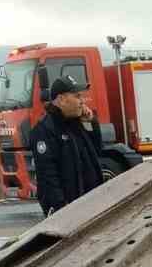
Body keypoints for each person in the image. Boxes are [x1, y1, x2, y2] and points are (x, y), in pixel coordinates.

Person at [31, 75, 106, 216]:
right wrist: (62, 208)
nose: (82, 101)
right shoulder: (45, 130)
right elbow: (48, 176)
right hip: (69, 212)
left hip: (90, 206)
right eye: (77, 96)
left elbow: (97, 152)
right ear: (61, 99)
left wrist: (91, 123)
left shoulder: (76, 123)